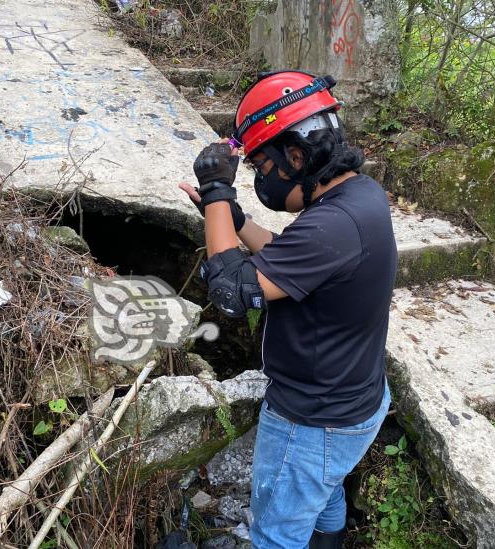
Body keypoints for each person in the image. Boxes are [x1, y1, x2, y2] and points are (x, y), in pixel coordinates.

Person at [178, 70, 397, 549]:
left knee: (277, 531)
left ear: (296, 156)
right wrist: (232, 221)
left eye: (262, 166)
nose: (261, 178)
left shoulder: (333, 224)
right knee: (322, 490)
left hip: (312, 421)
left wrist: (217, 192)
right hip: (356, 401)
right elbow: (290, 258)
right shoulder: (359, 196)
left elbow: (232, 292)